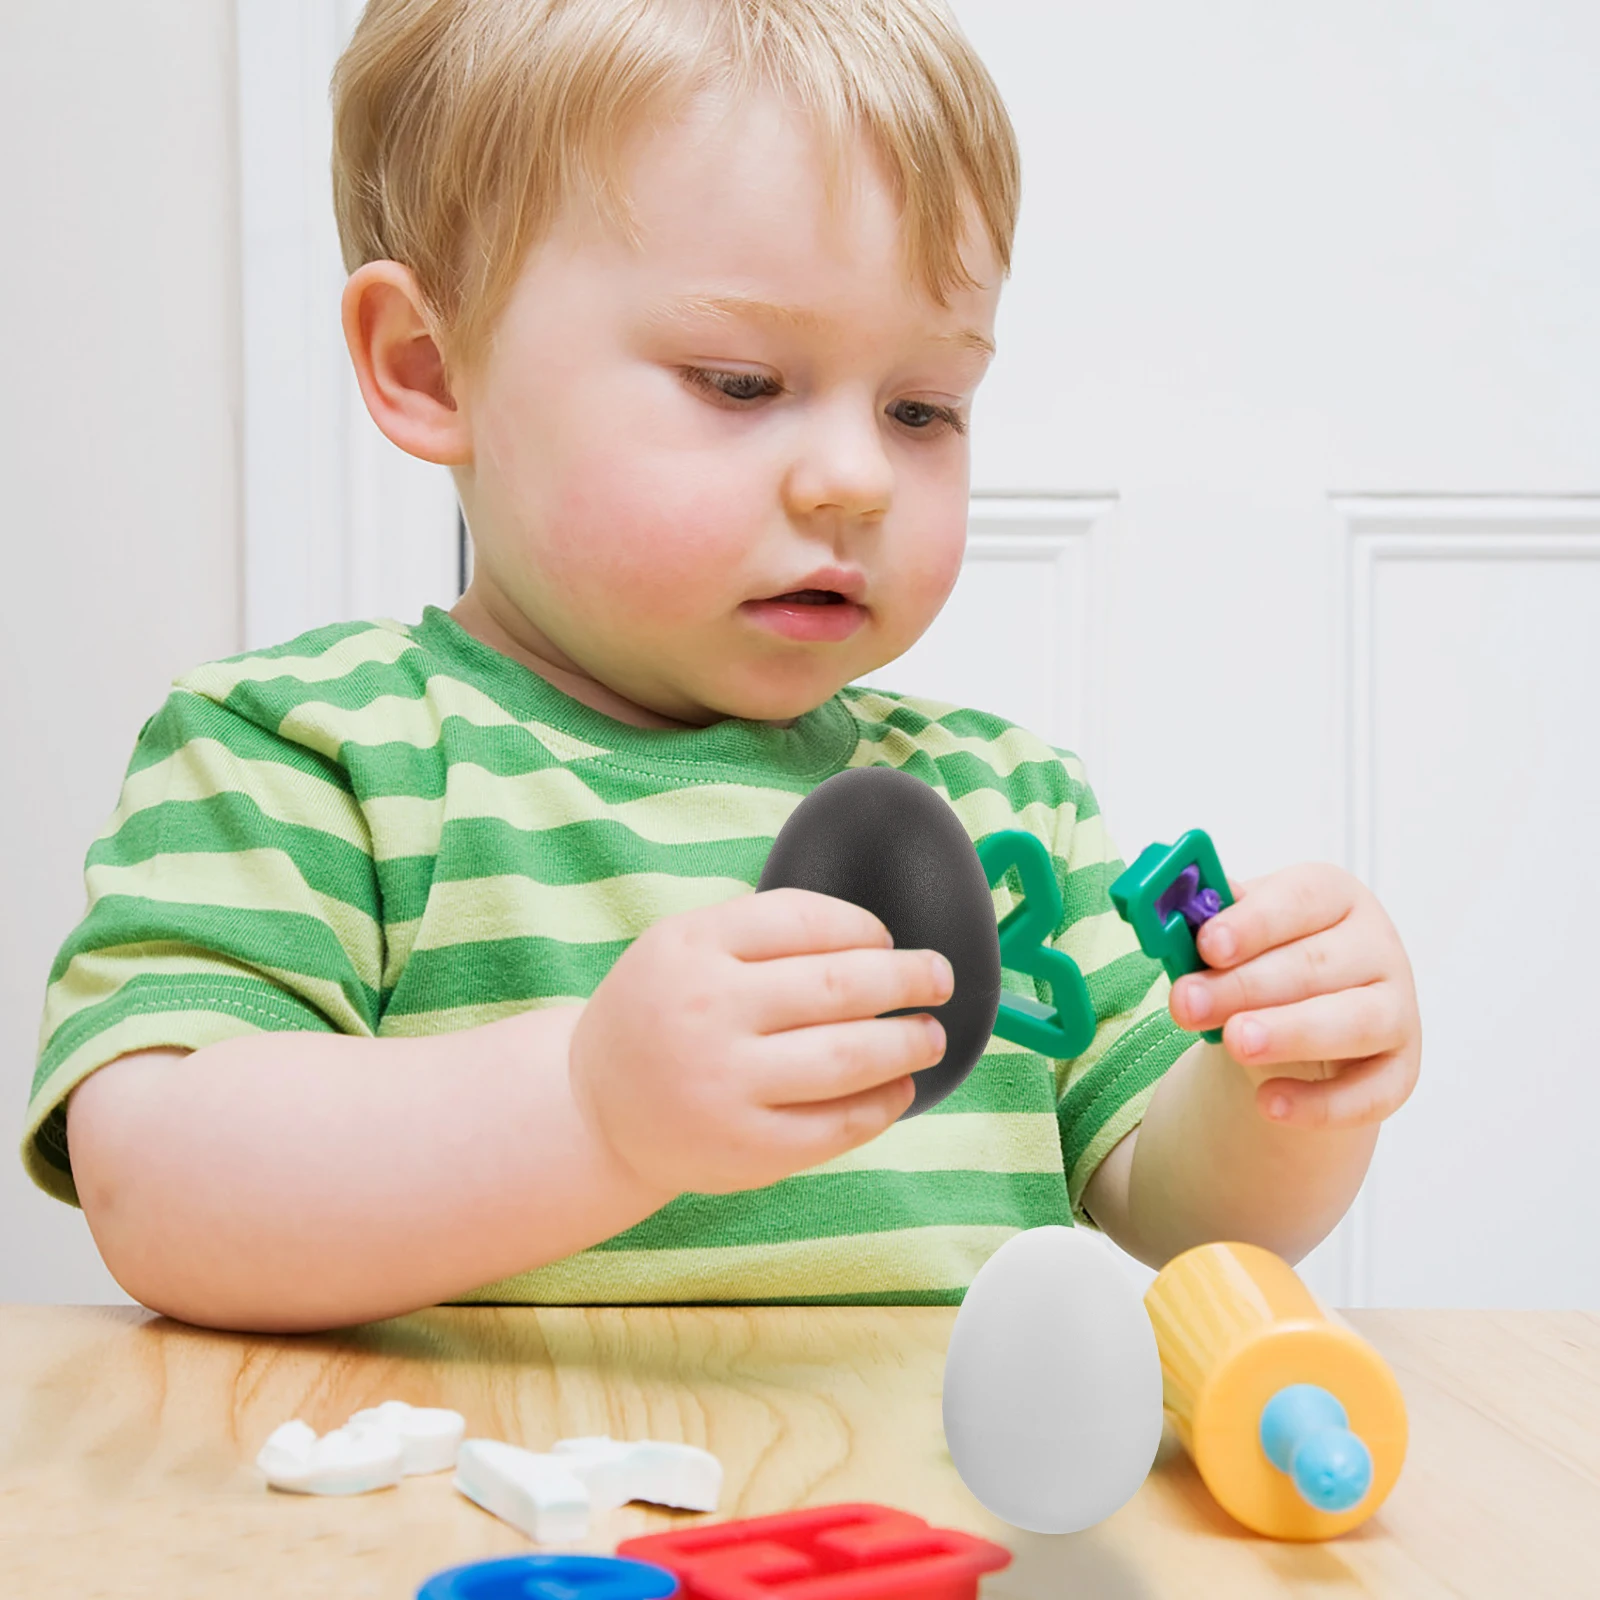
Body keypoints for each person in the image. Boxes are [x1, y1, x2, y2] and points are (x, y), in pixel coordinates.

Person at [24, 0, 1420, 1334]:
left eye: (924, 405)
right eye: (740, 382)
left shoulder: (1009, 806)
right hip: (490, 1548)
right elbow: (160, 1179)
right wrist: (588, 1112)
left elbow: (1169, 1215)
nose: (858, 475)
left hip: (924, 1551)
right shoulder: (309, 757)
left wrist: (1285, 1083)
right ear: (432, 369)